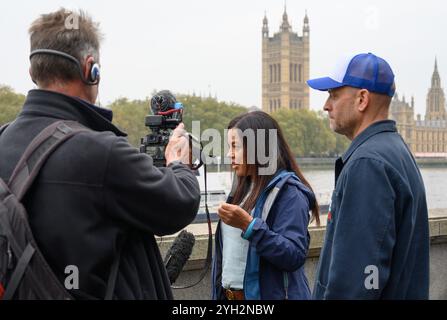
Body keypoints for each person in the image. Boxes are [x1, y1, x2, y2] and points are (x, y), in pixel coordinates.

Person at [0, 9, 200, 299]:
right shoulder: (101, 152)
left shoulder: (3, 139)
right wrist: (179, 163)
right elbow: (179, 204)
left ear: (33, 72)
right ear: (90, 68)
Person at [307, 53, 429, 299]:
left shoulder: (368, 164)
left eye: (334, 94)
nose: (326, 105)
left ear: (362, 99)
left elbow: (356, 280)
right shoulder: (396, 150)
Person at [211, 111, 319, 300]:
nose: (229, 154)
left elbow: (294, 255)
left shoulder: (290, 192)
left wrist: (250, 227)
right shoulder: (240, 190)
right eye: (229, 147)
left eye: (235, 146)